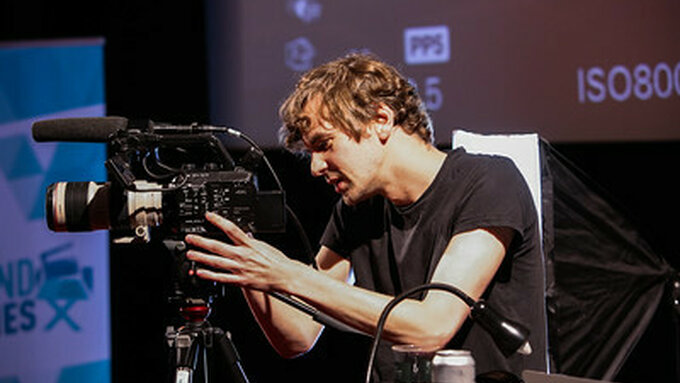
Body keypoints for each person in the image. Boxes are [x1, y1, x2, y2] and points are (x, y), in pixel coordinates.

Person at [185, 53, 547, 382]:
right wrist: (246, 261)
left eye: (325, 145)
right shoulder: (356, 210)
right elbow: (297, 335)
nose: (315, 168)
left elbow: (432, 326)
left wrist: (288, 274)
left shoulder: (488, 182)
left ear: (381, 120)